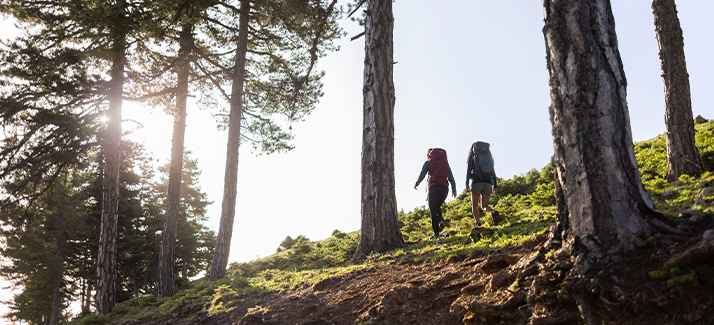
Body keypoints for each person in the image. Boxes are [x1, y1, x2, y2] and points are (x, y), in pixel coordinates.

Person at [414, 148, 457, 239]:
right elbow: (451, 176)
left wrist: (417, 183)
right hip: (445, 188)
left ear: (429, 155)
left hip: (433, 187)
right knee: (437, 206)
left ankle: (436, 233)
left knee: (433, 210)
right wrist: (454, 189)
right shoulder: (445, 164)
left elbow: (422, 175)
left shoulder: (428, 163)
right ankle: (440, 220)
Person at [466, 143, 499, 228]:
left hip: (476, 182)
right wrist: (495, 185)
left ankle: (478, 223)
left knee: (475, 205)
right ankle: (492, 212)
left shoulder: (472, 157)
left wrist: (467, 183)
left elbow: (469, 171)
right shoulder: (488, 157)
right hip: (488, 182)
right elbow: (493, 171)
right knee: (484, 206)